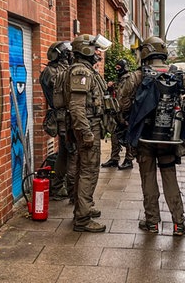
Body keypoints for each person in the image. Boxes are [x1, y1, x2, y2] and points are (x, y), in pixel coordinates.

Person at [120, 36, 185, 236]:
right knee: (170, 176)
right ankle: (179, 223)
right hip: (169, 137)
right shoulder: (178, 74)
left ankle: (152, 222)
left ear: (145, 53)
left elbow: (123, 103)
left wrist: (130, 117)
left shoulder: (137, 76)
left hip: (145, 138)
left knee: (148, 177)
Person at [67, 33, 113, 232]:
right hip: (87, 127)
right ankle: (82, 219)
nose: (97, 53)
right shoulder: (81, 72)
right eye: (95, 49)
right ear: (85, 50)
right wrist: (86, 132)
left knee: (83, 169)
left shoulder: (85, 70)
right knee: (89, 171)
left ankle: (82, 208)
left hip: (89, 126)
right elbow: (77, 107)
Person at [39, 41, 76, 201]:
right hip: (63, 118)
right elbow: (63, 90)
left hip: (64, 117)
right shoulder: (52, 71)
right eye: (68, 53)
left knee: (64, 152)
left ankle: (57, 186)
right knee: (72, 152)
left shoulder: (57, 70)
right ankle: (72, 190)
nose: (70, 56)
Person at [101, 59, 134, 170]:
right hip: (117, 112)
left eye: (119, 67)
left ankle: (129, 160)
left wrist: (126, 113)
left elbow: (126, 96)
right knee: (115, 135)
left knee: (127, 136)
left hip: (126, 112)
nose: (116, 69)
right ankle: (114, 158)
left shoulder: (128, 78)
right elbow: (118, 92)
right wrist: (111, 87)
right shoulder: (120, 79)